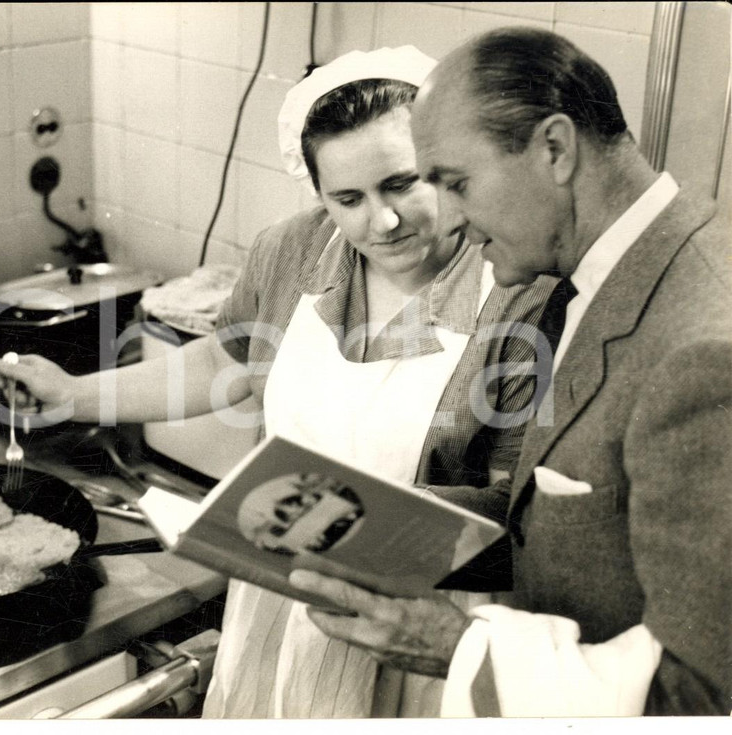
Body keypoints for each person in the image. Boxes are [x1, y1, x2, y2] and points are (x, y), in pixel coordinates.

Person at [0, 46, 553, 717]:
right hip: (279, 599)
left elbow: (520, 512)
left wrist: (365, 534)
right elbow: (226, 362)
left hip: (418, 627)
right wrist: (75, 392)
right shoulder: (295, 248)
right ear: (318, 194)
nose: (383, 222)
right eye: (348, 198)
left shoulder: (516, 288)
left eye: (403, 183)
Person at [288, 27, 732, 717]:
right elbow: (559, 520)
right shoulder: (610, 280)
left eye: (455, 184)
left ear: (555, 149)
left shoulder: (704, 349)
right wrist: (376, 520)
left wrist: (455, 646)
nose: (453, 220)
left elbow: (705, 699)